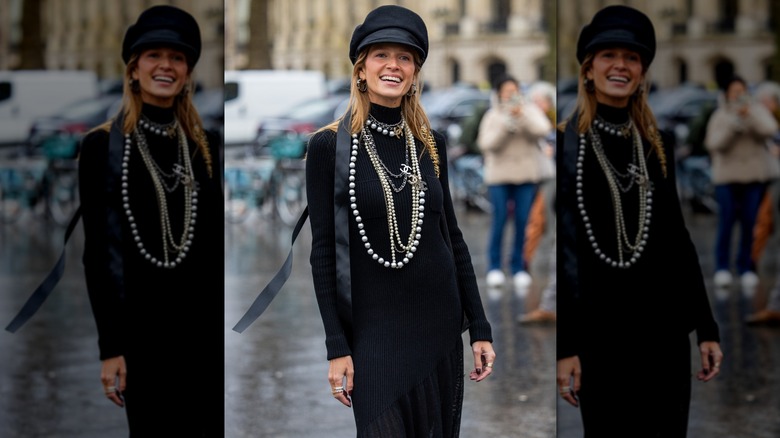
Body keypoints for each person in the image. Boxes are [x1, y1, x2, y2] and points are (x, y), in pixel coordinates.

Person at [304, 5, 495, 436]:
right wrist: (336, 346)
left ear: (414, 72)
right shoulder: (328, 147)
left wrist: (479, 327)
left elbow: (453, 239)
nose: (393, 65)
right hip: (373, 335)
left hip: (438, 328)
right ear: (361, 69)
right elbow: (323, 253)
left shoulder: (431, 144)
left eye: (404, 57)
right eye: (381, 55)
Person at [556, 6, 723, 436]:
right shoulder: (567, 144)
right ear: (588, 68)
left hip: (663, 335)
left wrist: (706, 328)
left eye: (631, 58)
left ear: (643, 72)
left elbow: (678, 241)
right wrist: (566, 346)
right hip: (601, 337)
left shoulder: (656, 144)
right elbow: (567, 251)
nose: (620, 66)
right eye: (609, 55)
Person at [77, 5, 223, 436]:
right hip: (140, 338)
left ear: (188, 72)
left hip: (200, 338)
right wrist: (110, 347)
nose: (166, 66)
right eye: (154, 55)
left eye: (177, 57)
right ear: (133, 68)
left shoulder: (205, 145)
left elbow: (211, 249)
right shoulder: (102, 147)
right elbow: (98, 255)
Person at [477, 74, 552, 290]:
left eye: (515, 90)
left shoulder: (529, 110)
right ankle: (494, 267)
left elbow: (543, 129)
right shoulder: (493, 115)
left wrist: (522, 116)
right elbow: (486, 144)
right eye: (507, 91)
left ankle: (518, 266)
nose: (511, 94)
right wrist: (506, 125)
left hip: (526, 175)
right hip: (499, 176)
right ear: (499, 93)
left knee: (522, 221)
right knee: (499, 220)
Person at [705, 75, 779, 290]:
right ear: (727, 93)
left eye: (742, 90)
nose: (739, 95)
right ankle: (722, 267)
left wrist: (750, 116)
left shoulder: (756, 110)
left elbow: (770, 129)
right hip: (726, 178)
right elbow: (714, 144)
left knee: (749, 224)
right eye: (734, 91)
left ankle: (746, 267)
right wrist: (735, 123)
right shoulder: (720, 114)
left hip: (753, 177)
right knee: (726, 223)